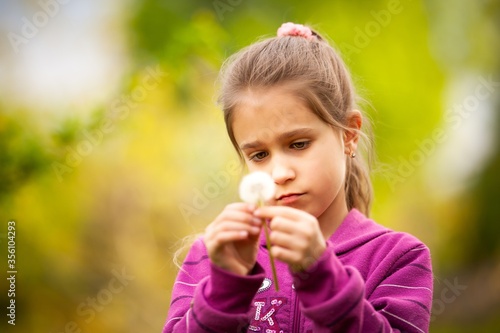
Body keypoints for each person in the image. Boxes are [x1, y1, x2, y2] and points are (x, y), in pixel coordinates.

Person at [163, 22, 433, 332]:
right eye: (259, 155)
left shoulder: (397, 258)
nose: (279, 174)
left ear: (349, 134)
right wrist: (225, 290)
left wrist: (323, 279)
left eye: (298, 144)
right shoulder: (214, 257)